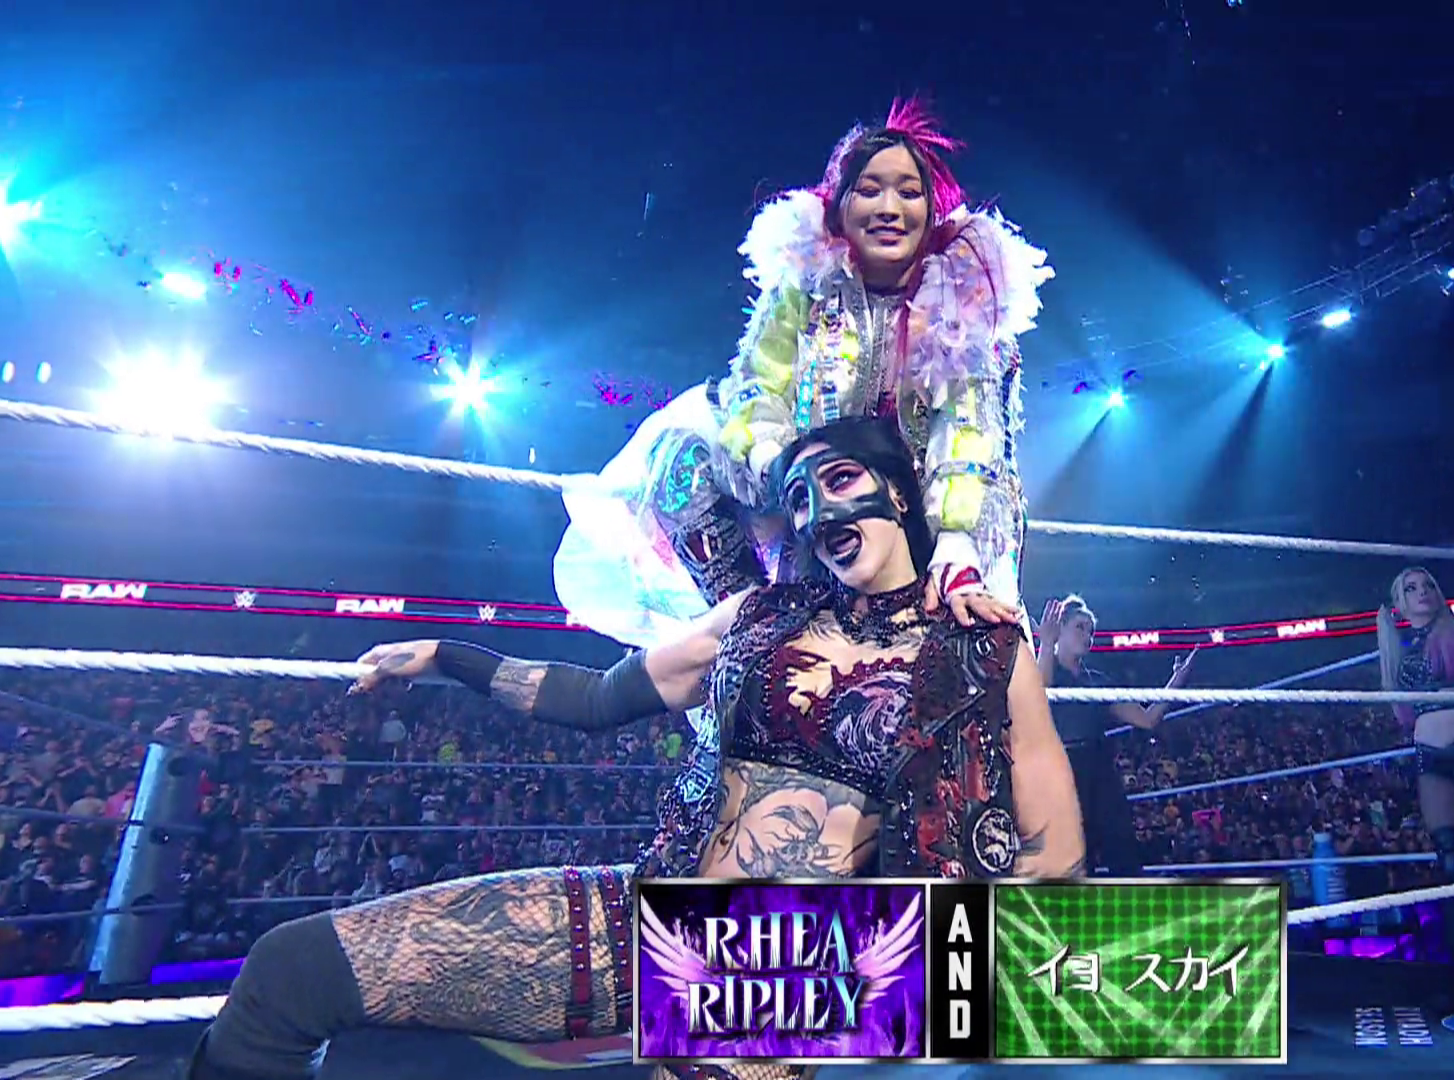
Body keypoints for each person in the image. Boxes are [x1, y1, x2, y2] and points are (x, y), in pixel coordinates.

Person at [187, 418, 1085, 1080]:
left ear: (899, 493)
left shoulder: (985, 650)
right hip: (643, 911)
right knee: (290, 971)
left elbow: (1056, 862)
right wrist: (447, 657)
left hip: (781, 974)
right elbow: (594, 697)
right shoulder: (759, 614)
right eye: (798, 498)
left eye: (839, 479)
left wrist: (885, 983)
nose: (818, 512)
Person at [551, 98, 1050, 867]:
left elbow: (971, 428)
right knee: (683, 457)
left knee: (971, 637)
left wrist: (954, 537)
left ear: (934, 205)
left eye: (908, 190)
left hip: (930, 510)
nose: (889, 207)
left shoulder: (965, 293)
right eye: (869, 189)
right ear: (838, 205)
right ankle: (751, 633)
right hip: (815, 499)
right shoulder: (806, 288)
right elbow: (757, 387)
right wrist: (785, 468)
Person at [1376, 567, 1454, 975]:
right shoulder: (1397, 651)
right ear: (1399, 603)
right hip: (1428, 751)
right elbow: (1403, 713)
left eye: (1429, 584)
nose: (1423, 592)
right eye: (1411, 588)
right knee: (1452, 856)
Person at [1034, 595, 1195, 876]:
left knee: (1122, 849)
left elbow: (1147, 719)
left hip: (1100, 770)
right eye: (1080, 627)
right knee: (1075, 859)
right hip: (1062, 772)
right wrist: (1046, 645)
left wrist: (1176, 680)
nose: (1087, 636)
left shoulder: (1097, 681)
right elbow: (1037, 697)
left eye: (1091, 631)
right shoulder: (1046, 670)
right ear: (1060, 629)